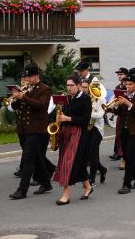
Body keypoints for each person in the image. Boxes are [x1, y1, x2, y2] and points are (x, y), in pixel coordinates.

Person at [9, 64, 53, 200]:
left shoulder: (45, 89)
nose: (27, 79)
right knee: (37, 157)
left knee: (28, 158)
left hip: (37, 129)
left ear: (36, 76)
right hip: (24, 129)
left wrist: (23, 97)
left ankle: (22, 190)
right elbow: (17, 107)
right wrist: (15, 98)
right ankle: (46, 183)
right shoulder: (26, 89)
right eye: (26, 77)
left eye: (29, 77)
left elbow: (41, 105)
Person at [52, 76, 93, 205]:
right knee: (78, 164)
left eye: (72, 85)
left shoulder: (85, 98)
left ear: (79, 85)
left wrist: (67, 118)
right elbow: (63, 114)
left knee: (67, 163)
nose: (69, 88)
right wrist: (59, 119)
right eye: (67, 85)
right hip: (66, 133)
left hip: (79, 135)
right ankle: (88, 187)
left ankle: (66, 195)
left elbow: (86, 120)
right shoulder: (67, 98)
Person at [84, 77, 108, 186]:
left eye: (96, 87)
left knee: (93, 154)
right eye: (92, 87)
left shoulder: (102, 99)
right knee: (89, 154)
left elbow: (100, 115)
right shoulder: (87, 98)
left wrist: (89, 114)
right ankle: (102, 169)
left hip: (97, 129)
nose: (94, 89)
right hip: (88, 128)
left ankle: (92, 179)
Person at [108, 68, 128, 162]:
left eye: (122, 74)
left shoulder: (128, 86)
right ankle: (117, 152)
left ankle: (122, 153)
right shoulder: (118, 86)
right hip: (120, 113)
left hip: (127, 114)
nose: (119, 76)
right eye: (118, 74)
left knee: (124, 135)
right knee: (118, 133)